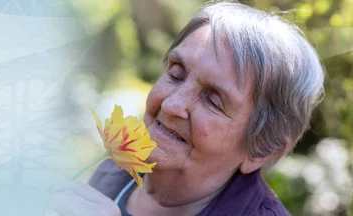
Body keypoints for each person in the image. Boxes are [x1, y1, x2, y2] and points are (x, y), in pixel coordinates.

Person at [49, 2, 325, 216]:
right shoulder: (119, 166)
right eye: (176, 74)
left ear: (262, 148)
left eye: (214, 100)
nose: (171, 105)